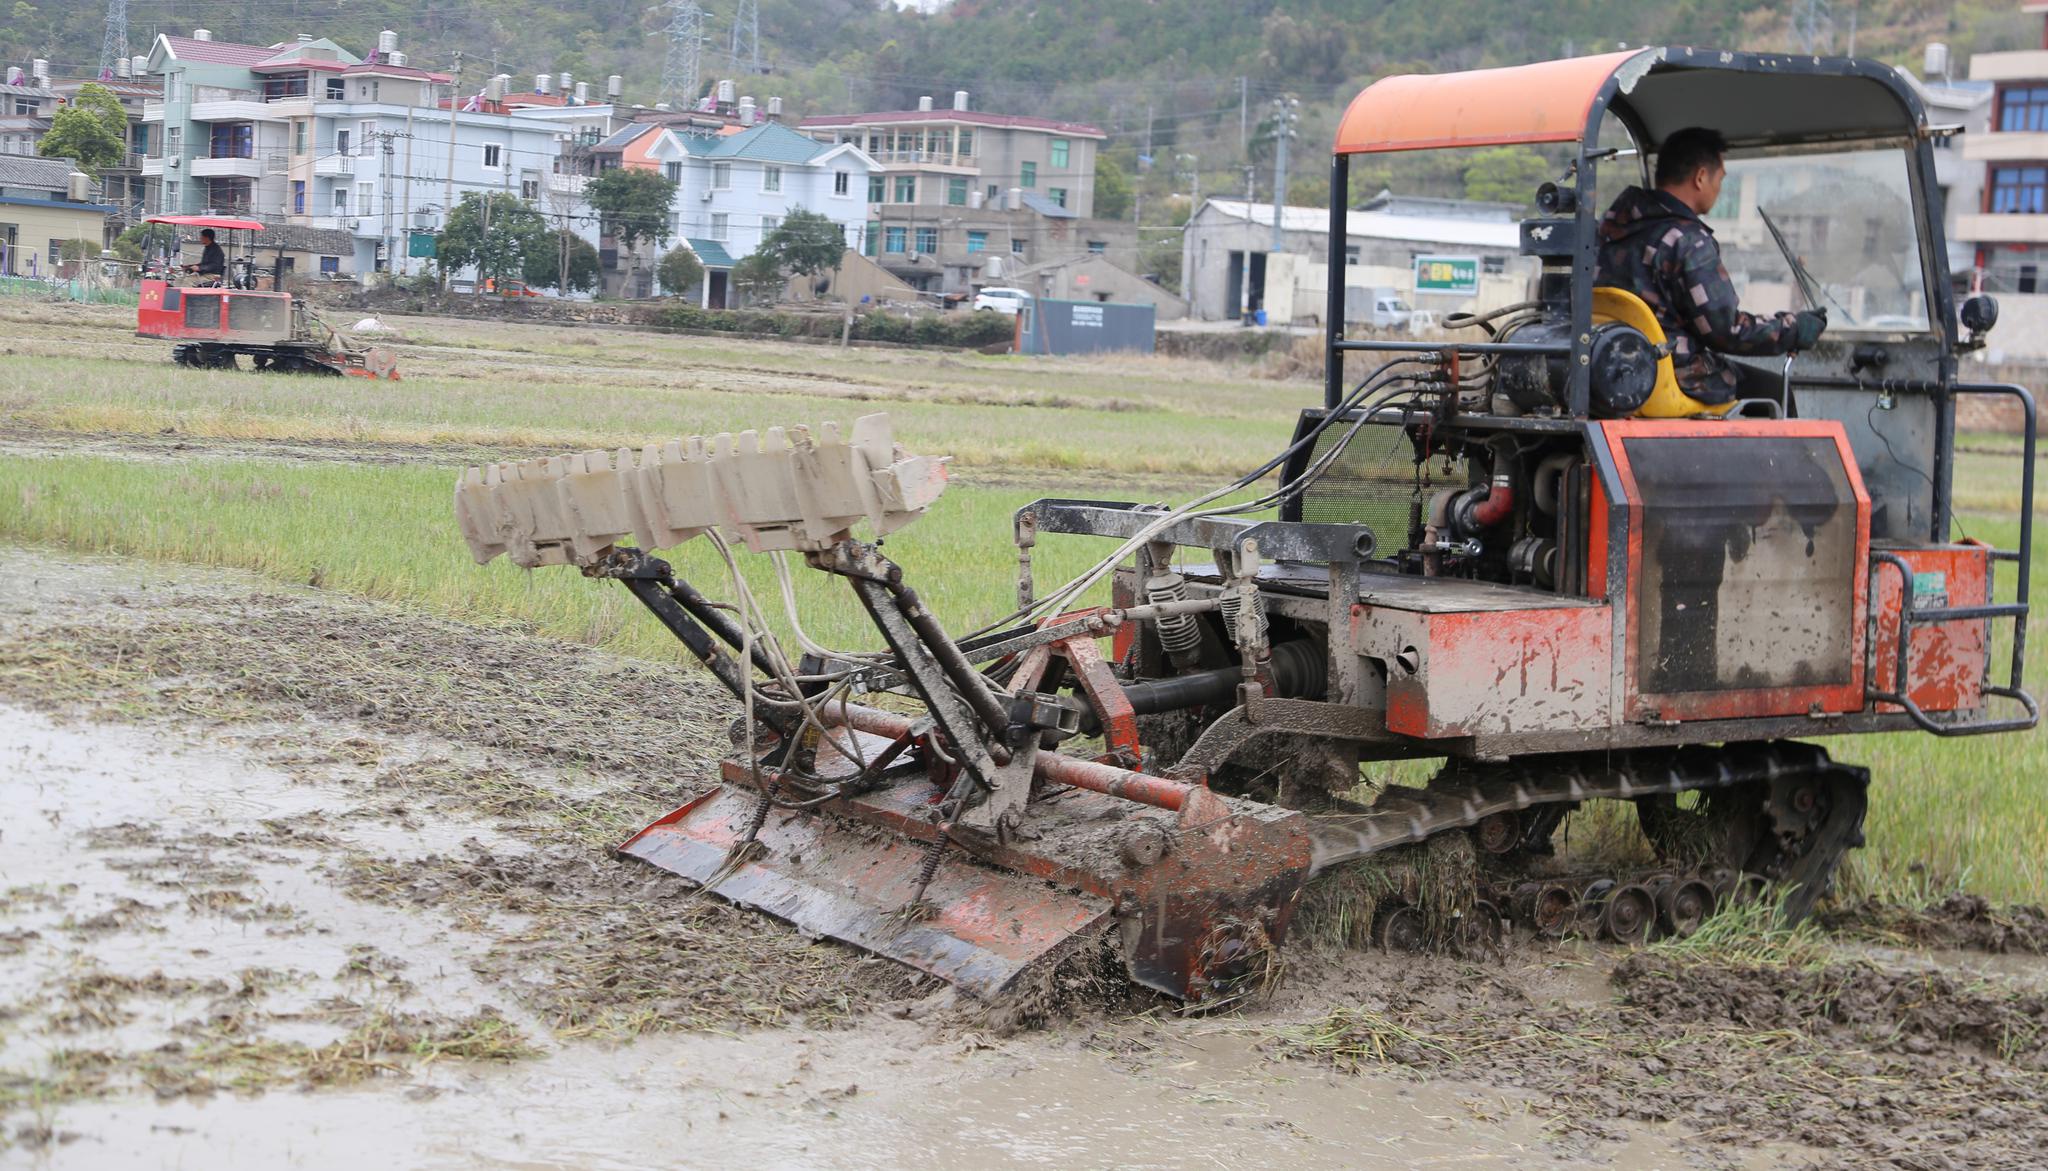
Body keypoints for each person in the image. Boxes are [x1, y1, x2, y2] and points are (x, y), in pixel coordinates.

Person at [1595, 126, 1827, 405]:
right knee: (1775, 391)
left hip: (1609, 373)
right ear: (1701, 177)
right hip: (1671, 375)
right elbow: (1725, 331)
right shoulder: (1687, 240)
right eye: (1720, 178)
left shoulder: (1605, 232)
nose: (1720, 188)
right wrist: (1793, 329)